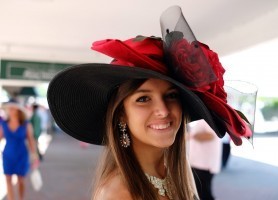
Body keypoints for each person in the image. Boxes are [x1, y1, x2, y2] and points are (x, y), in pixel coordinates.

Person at [47, 6, 252, 200]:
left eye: (171, 95)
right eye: (143, 99)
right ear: (121, 114)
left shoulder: (176, 174)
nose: (163, 110)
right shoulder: (119, 194)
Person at [0, 100, 39, 200]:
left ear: (18, 110)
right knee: (8, 179)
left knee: (21, 180)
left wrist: (34, 155)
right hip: (7, 155)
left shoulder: (26, 124)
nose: (10, 110)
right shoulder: (3, 124)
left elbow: (31, 140)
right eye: (9, 108)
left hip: (22, 154)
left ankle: (21, 198)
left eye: (13, 108)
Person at [187, 120, 222, 200]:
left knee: (203, 193)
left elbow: (210, 136)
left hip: (204, 165)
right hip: (199, 163)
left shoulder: (208, 119)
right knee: (200, 192)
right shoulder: (201, 119)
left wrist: (190, 136)